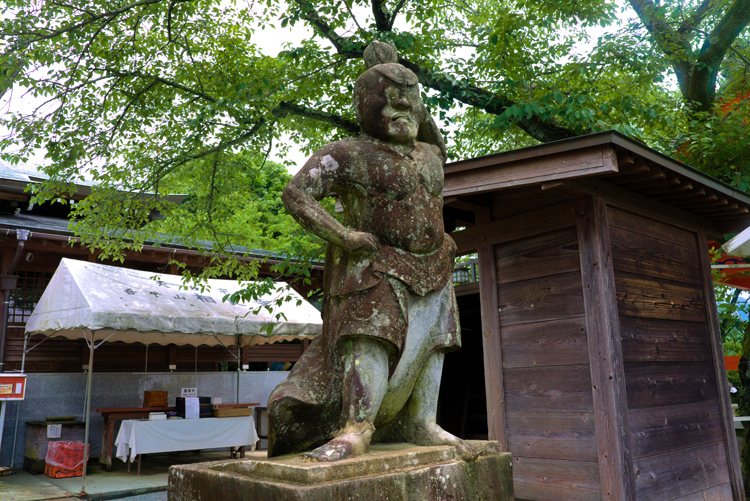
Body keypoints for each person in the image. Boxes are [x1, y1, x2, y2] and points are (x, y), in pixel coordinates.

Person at [267, 41, 476, 462]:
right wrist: (344, 236)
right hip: (376, 263)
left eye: (411, 102)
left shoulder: (430, 155)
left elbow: (434, 151)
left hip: (434, 264)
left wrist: (410, 95)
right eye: (392, 103)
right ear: (366, 104)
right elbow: (296, 194)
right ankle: (356, 427)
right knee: (368, 340)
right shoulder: (347, 154)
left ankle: (423, 422)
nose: (404, 111)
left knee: (435, 344)